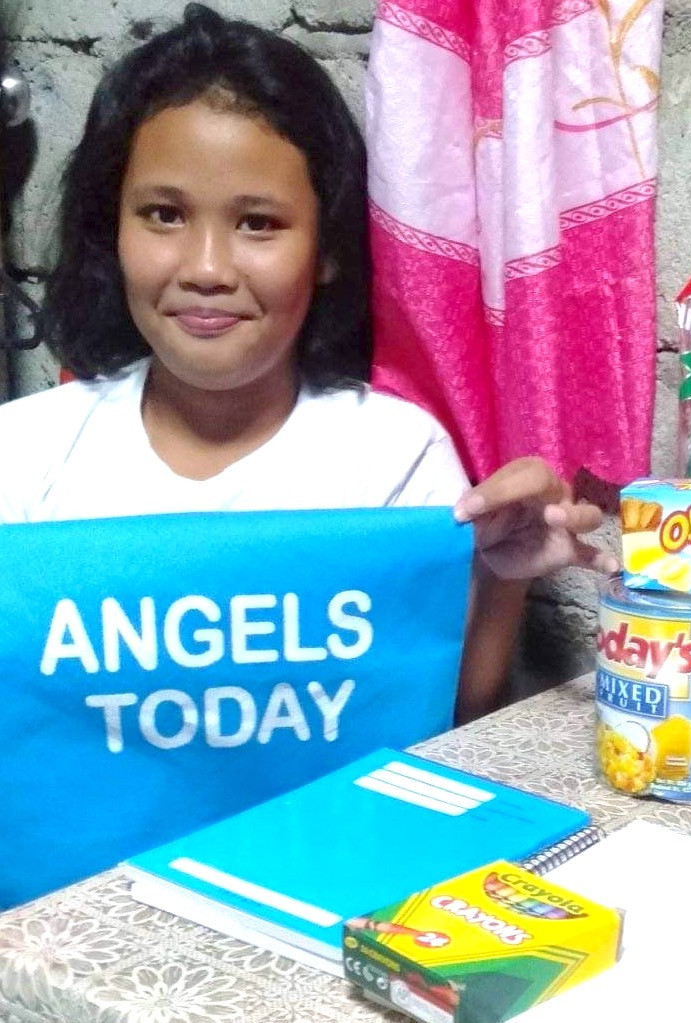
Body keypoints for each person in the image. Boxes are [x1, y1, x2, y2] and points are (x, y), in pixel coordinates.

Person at [0, 3, 615, 723]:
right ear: (112, 229)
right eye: (164, 214)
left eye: (258, 223)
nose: (206, 269)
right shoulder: (24, 457)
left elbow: (441, 728)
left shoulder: (394, 460)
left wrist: (500, 582)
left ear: (326, 251)